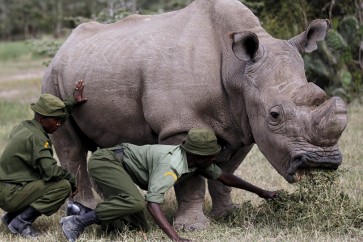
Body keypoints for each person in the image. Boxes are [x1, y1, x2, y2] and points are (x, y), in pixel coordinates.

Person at [61, 128, 277, 242]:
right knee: (135, 202)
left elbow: (225, 177)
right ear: (199, 155)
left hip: (122, 165)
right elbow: (152, 203)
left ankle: (79, 211)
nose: (215, 158)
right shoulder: (172, 165)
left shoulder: (196, 162)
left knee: (137, 229)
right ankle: (77, 222)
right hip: (107, 161)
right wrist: (175, 237)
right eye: (212, 154)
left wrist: (262, 192)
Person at [0, 80, 87, 238]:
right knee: (62, 186)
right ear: (43, 120)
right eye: (56, 120)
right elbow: (51, 172)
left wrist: (72, 102)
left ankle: (11, 217)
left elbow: (53, 114)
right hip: (11, 194)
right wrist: (72, 180)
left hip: (6, 188)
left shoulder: (24, 126)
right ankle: (21, 221)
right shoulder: (39, 139)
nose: (60, 124)